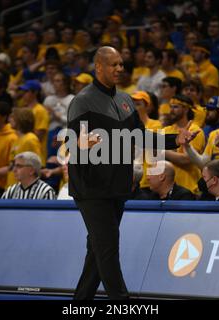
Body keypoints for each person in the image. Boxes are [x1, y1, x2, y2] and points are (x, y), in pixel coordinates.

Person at [67, 46, 187, 300]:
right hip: (91, 188)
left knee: (98, 249)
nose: (120, 69)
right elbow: (73, 138)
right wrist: (81, 142)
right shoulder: (82, 100)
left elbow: (141, 135)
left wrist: (176, 139)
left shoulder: (124, 99)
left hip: (117, 186)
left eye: (122, 64)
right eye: (114, 64)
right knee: (108, 247)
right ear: (99, 66)